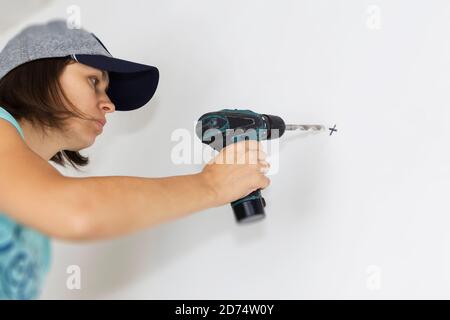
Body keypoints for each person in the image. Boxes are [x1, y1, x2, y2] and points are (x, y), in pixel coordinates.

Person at [0, 20, 270, 299]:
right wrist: (211, 185)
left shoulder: (31, 218)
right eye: (93, 81)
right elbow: (76, 212)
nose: (110, 104)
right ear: (37, 70)